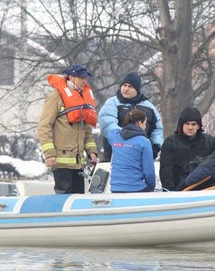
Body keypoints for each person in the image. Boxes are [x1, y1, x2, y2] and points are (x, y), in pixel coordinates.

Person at [37, 64, 98, 194]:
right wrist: (50, 154)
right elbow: (44, 126)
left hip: (79, 163)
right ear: (71, 77)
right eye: (81, 78)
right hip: (61, 163)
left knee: (78, 202)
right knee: (63, 201)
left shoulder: (81, 99)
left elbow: (86, 130)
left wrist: (92, 151)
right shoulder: (56, 97)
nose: (84, 81)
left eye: (85, 78)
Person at [98, 71, 164, 162]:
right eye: (124, 85)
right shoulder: (112, 103)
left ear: (137, 89)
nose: (126, 89)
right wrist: (128, 143)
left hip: (142, 156)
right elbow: (108, 126)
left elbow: (157, 130)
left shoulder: (149, 107)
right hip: (115, 156)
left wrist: (155, 147)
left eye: (130, 86)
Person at [159, 106, 215, 191]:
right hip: (179, 190)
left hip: (205, 190)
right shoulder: (170, 143)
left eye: (193, 124)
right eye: (187, 124)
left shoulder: (210, 142)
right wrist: (170, 191)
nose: (190, 127)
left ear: (198, 126)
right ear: (181, 125)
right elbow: (166, 171)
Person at [107, 109, 156, 193]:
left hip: (115, 189)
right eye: (145, 123)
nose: (145, 127)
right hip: (136, 188)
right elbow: (149, 172)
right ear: (139, 123)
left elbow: (112, 131)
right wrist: (151, 188)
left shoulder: (114, 137)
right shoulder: (144, 142)